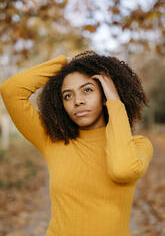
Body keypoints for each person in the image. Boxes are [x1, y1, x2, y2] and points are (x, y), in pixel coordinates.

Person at [0, 50, 153, 236]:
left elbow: (121, 169)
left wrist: (114, 101)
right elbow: (11, 91)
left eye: (87, 90)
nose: (78, 101)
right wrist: (65, 63)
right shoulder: (54, 140)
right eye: (67, 96)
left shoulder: (138, 145)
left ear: (105, 95)